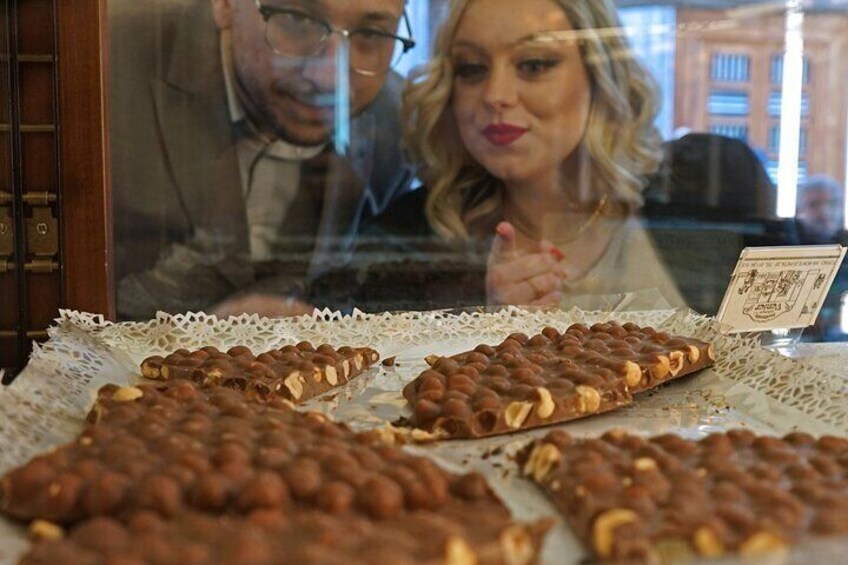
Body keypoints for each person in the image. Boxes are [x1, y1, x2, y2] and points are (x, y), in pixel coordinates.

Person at [338, 0, 684, 312]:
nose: (495, 95)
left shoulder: (702, 190)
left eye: (533, 65)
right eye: (471, 68)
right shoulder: (399, 245)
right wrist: (487, 329)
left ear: (599, 76)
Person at [110, 0, 415, 320]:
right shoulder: (98, 69)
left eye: (370, 33)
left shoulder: (396, 126)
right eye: (296, 19)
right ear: (225, 4)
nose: (329, 80)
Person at [795, 175, 846, 245]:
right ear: (800, 211)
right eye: (814, 204)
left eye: (832, 203)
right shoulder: (788, 244)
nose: (824, 211)